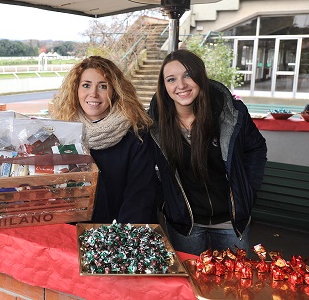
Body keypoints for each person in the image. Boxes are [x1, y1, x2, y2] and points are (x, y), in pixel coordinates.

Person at [147, 49, 267, 255]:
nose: (181, 85)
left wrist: (248, 190)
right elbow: (148, 170)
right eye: (171, 79)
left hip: (231, 224)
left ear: (200, 76)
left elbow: (256, 148)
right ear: (164, 86)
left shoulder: (231, 113)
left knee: (234, 284)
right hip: (186, 226)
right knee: (189, 284)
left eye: (188, 75)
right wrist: (167, 204)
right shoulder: (154, 125)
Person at [52, 55, 158, 224]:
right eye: (86, 85)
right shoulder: (62, 131)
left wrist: (116, 239)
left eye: (102, 86)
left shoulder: (136, 134)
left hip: (117, 235)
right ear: (76, 89)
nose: (93, 94)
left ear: (114, 92)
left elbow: (139, 197)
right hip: (72, 230)